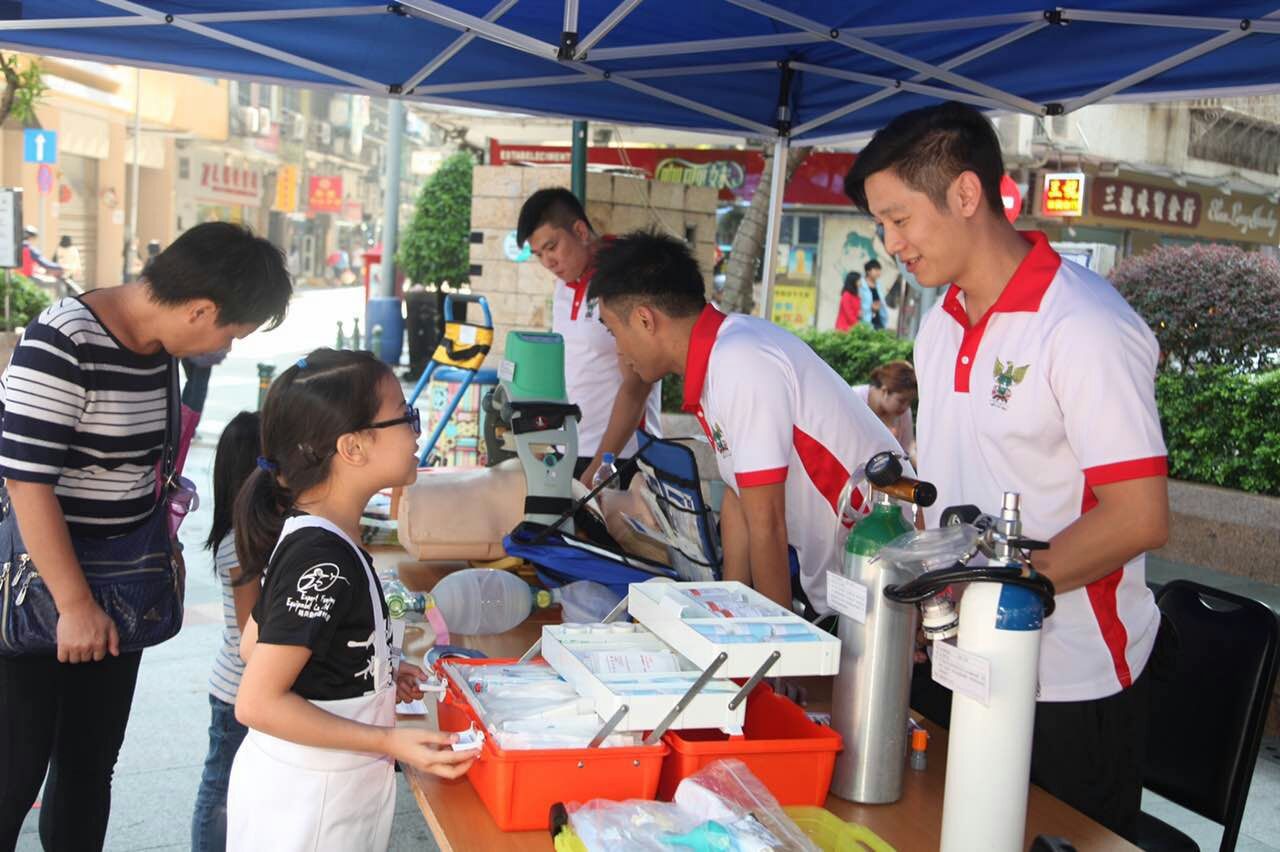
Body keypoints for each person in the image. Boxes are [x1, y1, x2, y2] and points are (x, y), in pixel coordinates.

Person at [846, 101, 1170, 841]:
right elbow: (952, 483)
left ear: (966, 194)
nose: (890, 243)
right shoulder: (940, 325)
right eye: (881, 224)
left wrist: (994, 597)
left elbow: (1139, 516)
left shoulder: (1083, 326)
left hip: (1070, 683)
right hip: (963, 658)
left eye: (899, 218)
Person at [0, 221, 293, 852]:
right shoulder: (63, 339)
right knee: (14, 771)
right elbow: (26, 483)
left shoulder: (161, 350)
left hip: (118, 590)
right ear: (200, 309)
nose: (226, 347)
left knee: (89, 766)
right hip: (39, 591)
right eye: (230, 333)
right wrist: (74, 605)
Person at [227, 349, 475, 851]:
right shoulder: (322, 558)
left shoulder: (317, 532)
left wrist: (371, 671)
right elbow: (256, 701)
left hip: (322, 793)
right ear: (353, 447)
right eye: (405, 415)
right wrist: (387, 739)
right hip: (308, 809)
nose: (417, 430)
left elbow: (256, 645)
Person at [588, 231, 904, 616]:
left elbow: (766, 521)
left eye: (613, 331)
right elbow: (739, 495)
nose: (618, 350)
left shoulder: (739, 360)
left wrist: (775, 641)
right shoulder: (720, 356)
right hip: (847, 581)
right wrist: (726, 607)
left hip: (879, 573)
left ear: (644, 319)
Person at [517, 188, 663, 488]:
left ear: (580, 231)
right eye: (539, 254)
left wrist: (601, 465)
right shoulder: (563, 285)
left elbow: (637, 385)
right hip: (569, 450)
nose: (548, 262)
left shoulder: (624, 279)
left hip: (623, 458)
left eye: (552, 247)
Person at [191, 412, 261, 852]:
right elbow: (251, 633)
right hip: (238, 693)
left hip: (249, 689)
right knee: (220, 792)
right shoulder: (240, 543)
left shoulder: (257, 535)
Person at [852, 360, 917, 460]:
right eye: (901, 401)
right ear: (885, 391)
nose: (905, 407)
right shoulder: (855, 398)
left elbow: (907, 448)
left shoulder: (904, 412)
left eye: (909, 402)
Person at [861, 259, 889, 330]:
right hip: (865, 320)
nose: (878, 272)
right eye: (876, 270)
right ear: (868, 271)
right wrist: (871, 308)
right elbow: (858, 304)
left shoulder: (878, 285)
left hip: (878, 319)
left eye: (879, 270)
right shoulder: (861, 285)